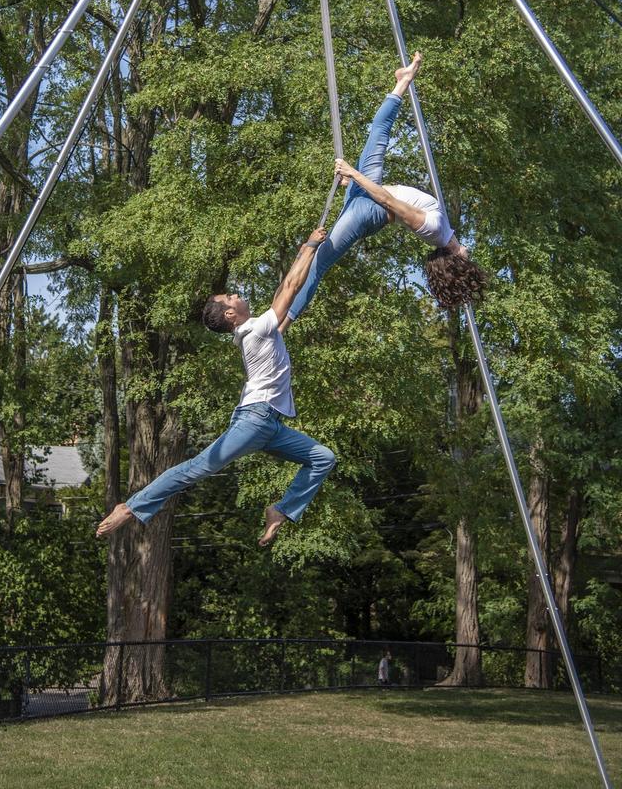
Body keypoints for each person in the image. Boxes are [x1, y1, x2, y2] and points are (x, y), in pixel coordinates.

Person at [95, 226, 337, 547]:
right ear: (230, 313)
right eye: (230, 297)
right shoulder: (255, 331)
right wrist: (310, 245)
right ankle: (131, 507)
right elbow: (290, 288)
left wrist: (309, 256)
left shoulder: (261, 328)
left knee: (323, 458)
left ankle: (280, 511)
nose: (235, 294)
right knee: (196, 468)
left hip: (272, 425)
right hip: (255, 421)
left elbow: (288, 291)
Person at [283, 52, 488, 325]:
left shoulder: (434, 229)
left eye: (467, 261)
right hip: (366, 193)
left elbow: (388, 201)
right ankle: (403, 80)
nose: (470, 255)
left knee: (318, 264)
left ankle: (281, 324)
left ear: (456, 261)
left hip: (370, 210)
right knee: (379, 130)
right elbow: (392, 193)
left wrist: (353, 174)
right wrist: (353, 181)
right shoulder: (444, 230)